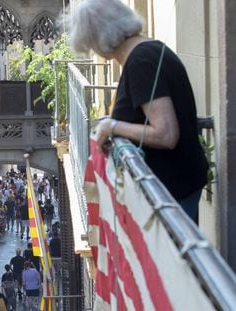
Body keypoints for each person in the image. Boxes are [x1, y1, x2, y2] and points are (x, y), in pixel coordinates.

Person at [69, 0, 208, 224]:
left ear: (100, 38)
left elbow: (166, 134)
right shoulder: (149, 50)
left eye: (90, 43)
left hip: (170, 196)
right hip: (175, 189)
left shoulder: (141, 62)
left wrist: (112, 126)